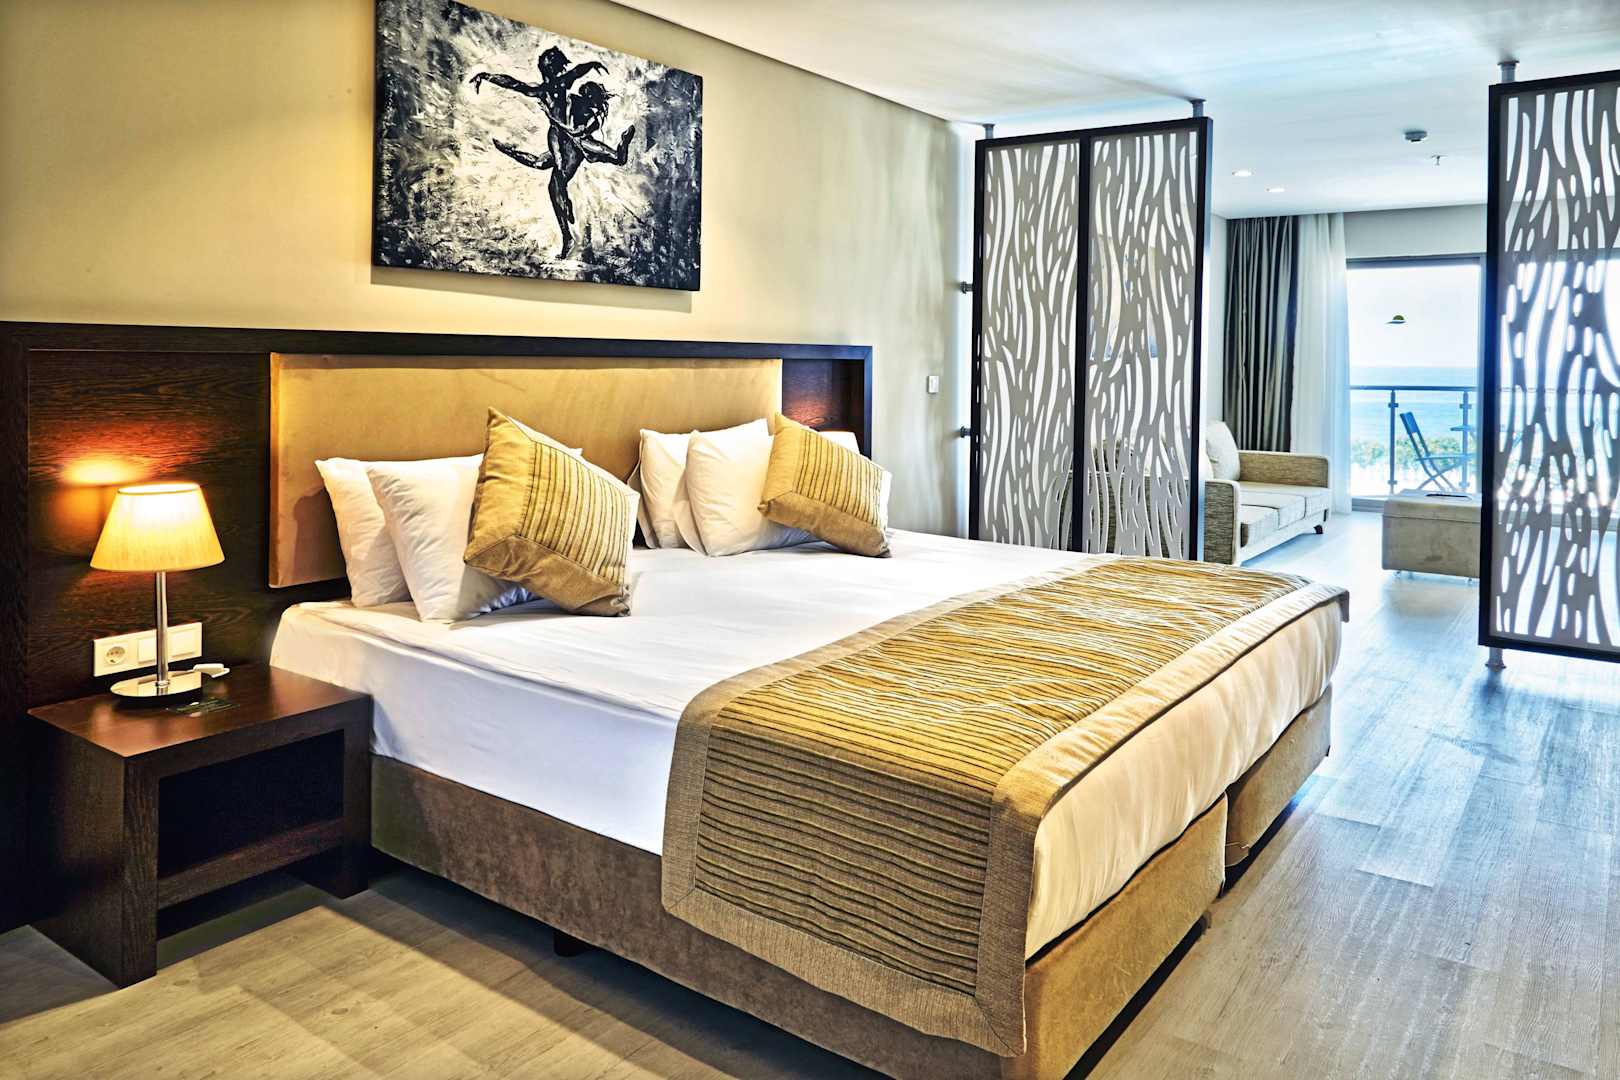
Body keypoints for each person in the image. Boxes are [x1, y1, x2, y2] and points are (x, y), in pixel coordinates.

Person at [469, 49, 633, 258]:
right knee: (543, 167)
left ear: (550, 67)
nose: (542, 64)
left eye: (546, 62)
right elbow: (514, 83)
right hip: (559, 139)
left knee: (556, 180)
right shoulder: (544, 89)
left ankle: (567, 232)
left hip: (571, 141)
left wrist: (591, 65)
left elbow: (575, 73)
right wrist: (487, 76)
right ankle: (566, 228)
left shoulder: (559, 85)